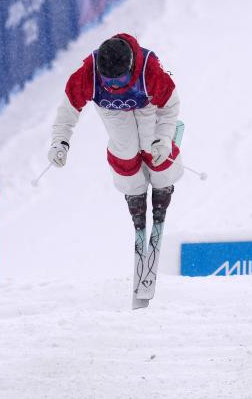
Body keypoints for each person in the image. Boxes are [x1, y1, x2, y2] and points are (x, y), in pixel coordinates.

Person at [48, 33, 183, 308]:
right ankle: (135, 195)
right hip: (111, 111)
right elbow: (68, 109)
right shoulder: (87, 74)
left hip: (148, 107)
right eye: (109, 81)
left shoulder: (151, 71)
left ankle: (162, 185)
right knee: (124, 151)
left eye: (119, 81)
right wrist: (60, 141)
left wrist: (165, 138)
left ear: (131, 66)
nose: (114, 85)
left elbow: (170, 109)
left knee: (152, 146)